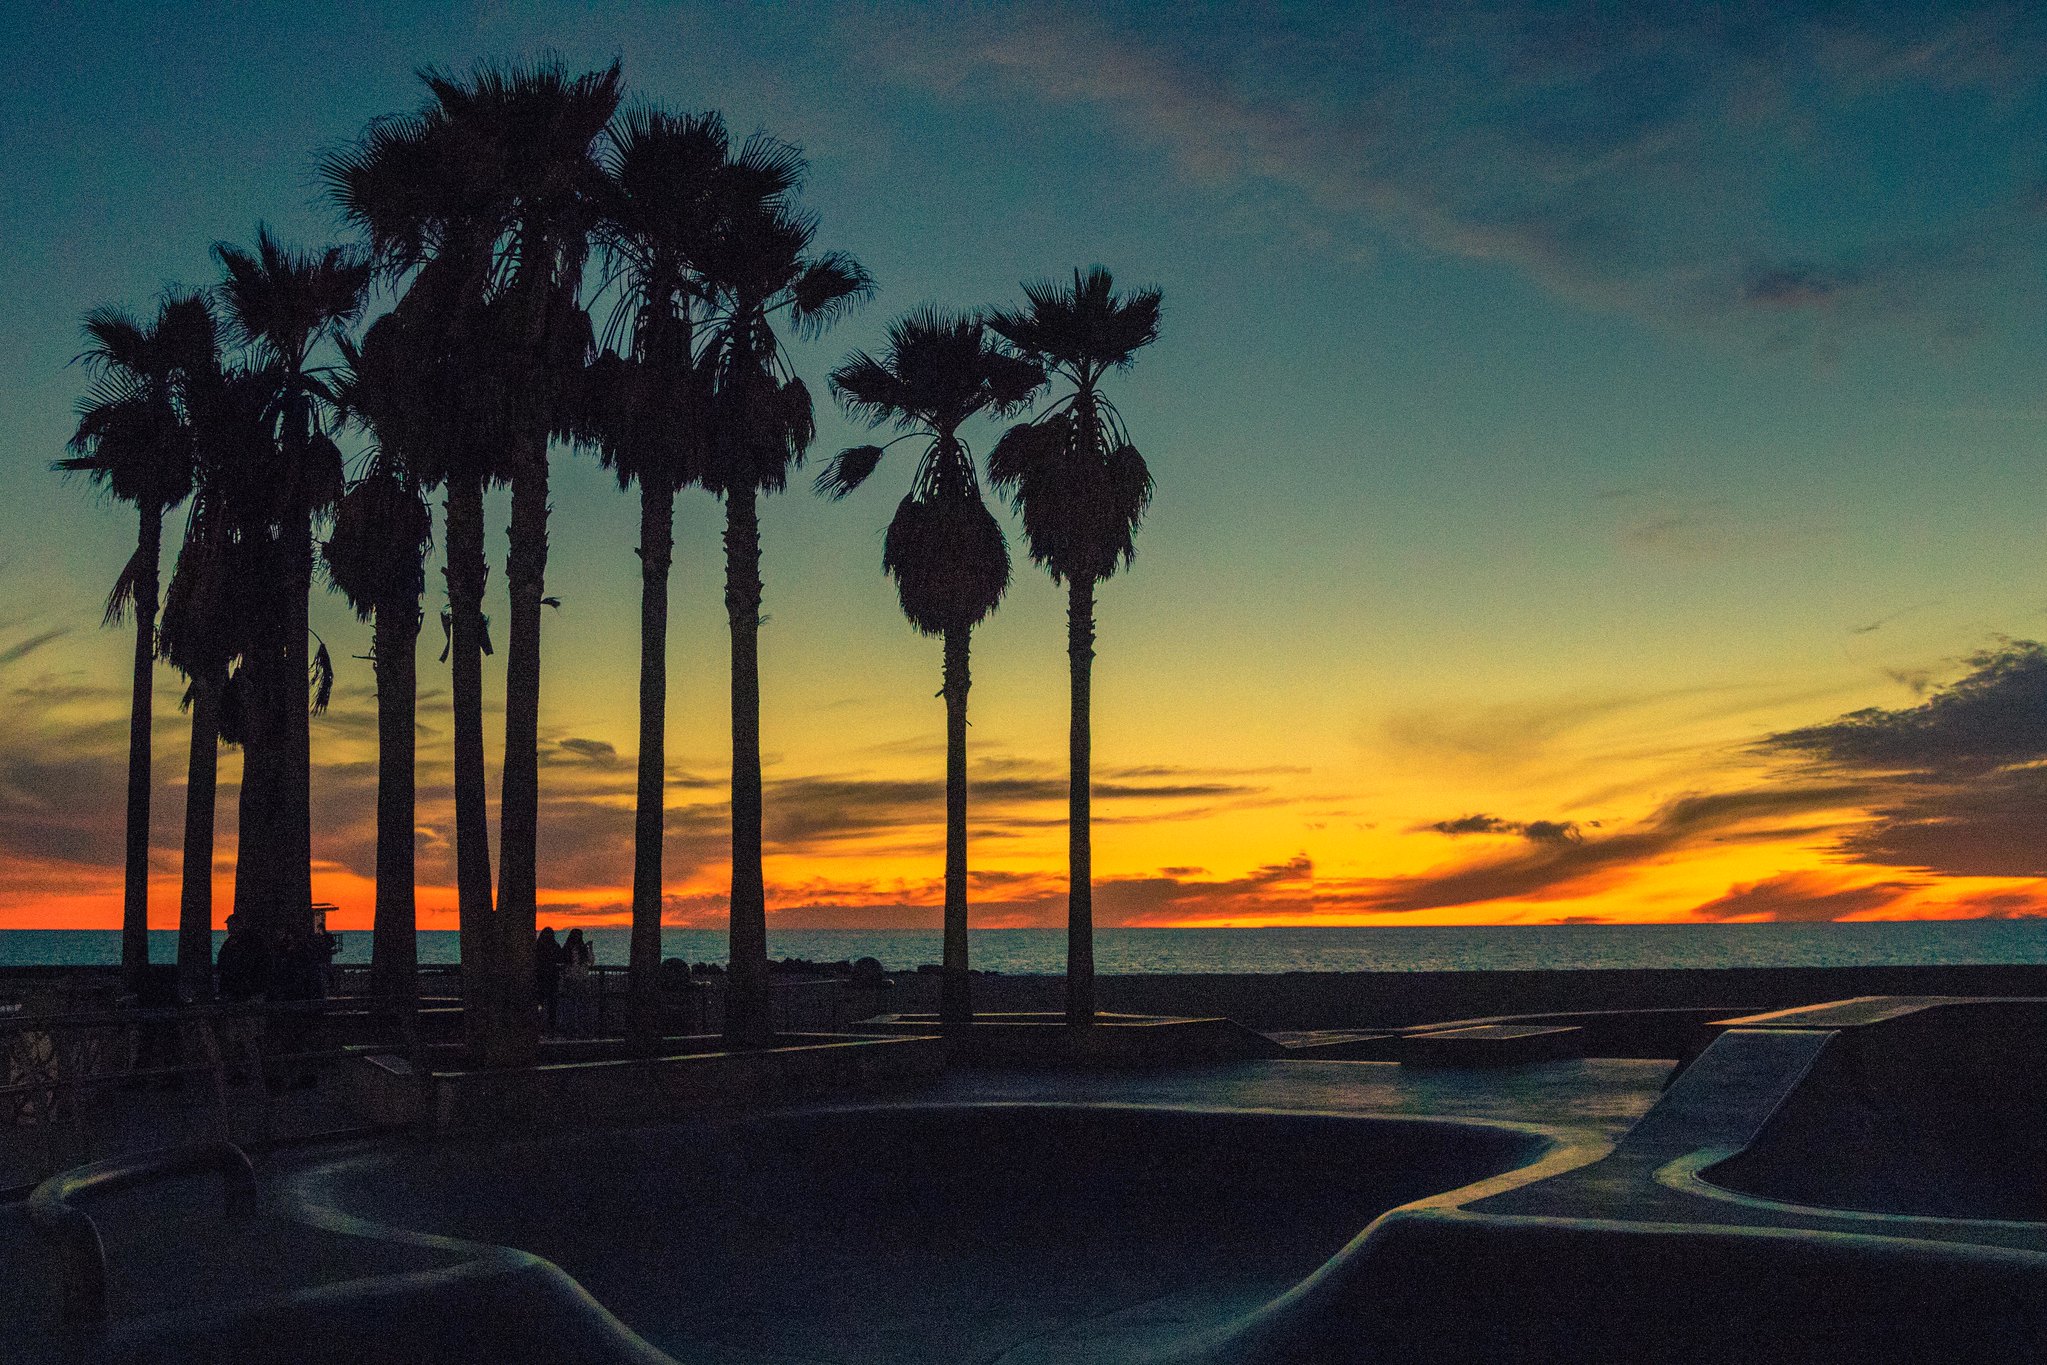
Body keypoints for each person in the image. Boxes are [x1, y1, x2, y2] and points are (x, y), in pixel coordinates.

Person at [216, 912, 271, 1002]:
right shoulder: (231, 941)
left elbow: (256, 962)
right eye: (229, 924)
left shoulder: (250, 940)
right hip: (235, 985)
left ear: (239, 925)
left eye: (231, 924)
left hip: (245, 986)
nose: (228, 927)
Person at [560, 928, 595, 1037]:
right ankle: (582, 1030)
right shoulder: (583, 950)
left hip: (570, 979)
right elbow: (591, 962)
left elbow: (562, 962)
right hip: (582, 979)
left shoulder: (566, 949)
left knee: (569, 1005)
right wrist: (590, 948)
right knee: (582, 1005)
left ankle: (569, 1030)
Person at [535, 927, 565, 1033]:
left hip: (540, 978)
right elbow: (561, 958)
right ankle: (551, 1027)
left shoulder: (537, 946)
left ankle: (538, 1026)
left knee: (539, 1003)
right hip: (552, 978)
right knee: (552, 1005)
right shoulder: (555, 946)